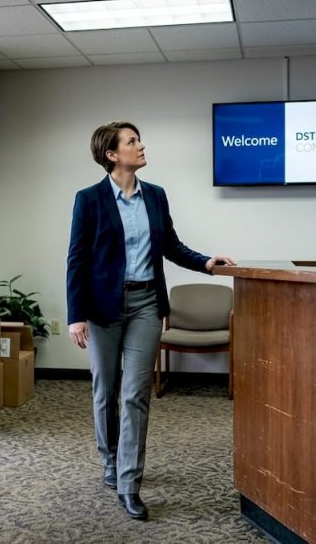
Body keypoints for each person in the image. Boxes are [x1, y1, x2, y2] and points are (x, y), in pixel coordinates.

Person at [66, 121, 236, 521]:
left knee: (135, 393)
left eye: (138, 139)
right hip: (103, 307)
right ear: (112, 154)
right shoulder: (88, 200)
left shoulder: (155, 196)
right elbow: (76, 259)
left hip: (146, 304)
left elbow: (171, 246)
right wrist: (76, 316)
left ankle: (129, 482)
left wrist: (207, 263)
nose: (140, 146)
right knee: (106, 391)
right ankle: (109, 460)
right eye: (131, 141)